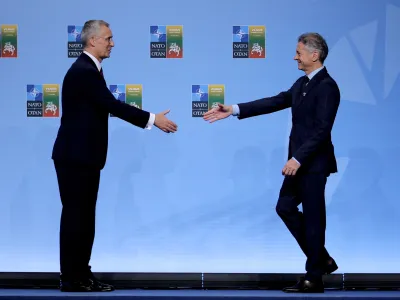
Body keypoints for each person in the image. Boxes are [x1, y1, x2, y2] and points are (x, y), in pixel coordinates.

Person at [203, 32, 340, 293]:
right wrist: (232, 109)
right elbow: (275, 101)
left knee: (313, 219)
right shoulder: (302, 83)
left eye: (299, 52)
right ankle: (321, 259)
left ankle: (314, 278)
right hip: (296, 163)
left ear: (315, 54)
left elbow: (322, 130)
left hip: (311, 164)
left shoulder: (327, 87)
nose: (294, 57)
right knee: (285, 207)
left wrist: (298, 158)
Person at [52, 20, 178, 292]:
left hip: (80, 157)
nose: (112, 43)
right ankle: (74, 278)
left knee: (82, 218)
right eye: (108, 38)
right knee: (78, 218)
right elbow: (111, 105)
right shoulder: (84, 71)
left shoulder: (89, 70)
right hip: (76, 157)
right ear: (93, 40)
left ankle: (79, 274)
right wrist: (152, 119)